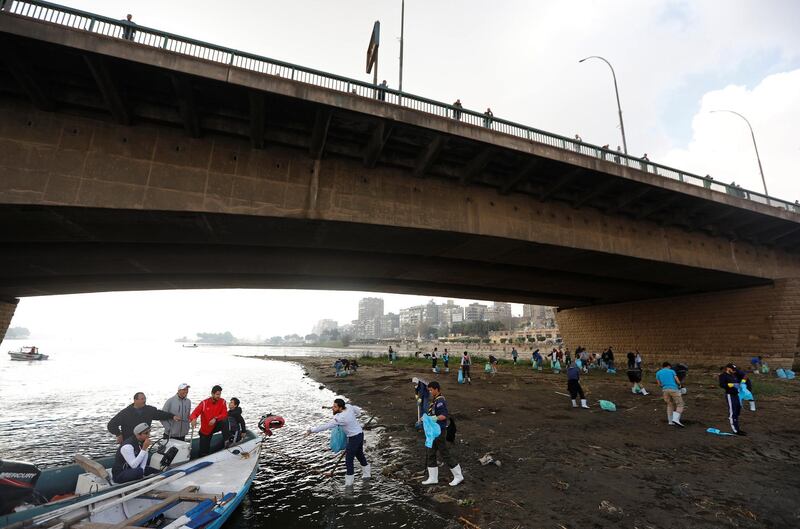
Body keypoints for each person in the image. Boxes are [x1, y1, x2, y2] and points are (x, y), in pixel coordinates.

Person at [307, 398, 369, 487]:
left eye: (335, 407)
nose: (333, 408)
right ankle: (367, 475)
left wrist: (312, 430)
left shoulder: (340, 418)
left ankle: (349, 485)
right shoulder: (348, 406)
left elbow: (326, 426)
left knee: (349, 460)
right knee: (359, 454)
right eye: (333, 406)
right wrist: (354, 418)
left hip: (354, 438)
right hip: (360, 434)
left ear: (340, 408)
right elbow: (358, 411)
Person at [421, 381, 463, 486]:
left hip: (439, 431)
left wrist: (432, 418)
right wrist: (425, 418)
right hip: (433, 432)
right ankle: (433, 478)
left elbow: (444, 415)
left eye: (431, 390)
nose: (430, 392)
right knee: (431, 453)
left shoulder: (440, 401)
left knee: (444, 453)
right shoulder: (434, 401)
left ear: (436, 389)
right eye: (429, 390)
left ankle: (458, 476)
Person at [108, 392, 179, 444]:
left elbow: (161, 414)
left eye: (145, 398)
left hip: (143, 441)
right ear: (135, 400)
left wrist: (172, 416)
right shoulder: (125, 413)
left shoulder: (149, 410)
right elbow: (111, 425)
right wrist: (118, 434)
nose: (144, 400)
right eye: (142, 399)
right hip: (129, 442)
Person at [190, 385, 230, 456]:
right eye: (217, 394)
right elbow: (194, 413)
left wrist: (215, 418)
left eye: (220, 394)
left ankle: (227, 441)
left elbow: (224, 414)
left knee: (225, 420)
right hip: (206, 430)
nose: (219, 396)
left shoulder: (222, 402)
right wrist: (193, 419)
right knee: (203, 452)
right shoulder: (204, 403)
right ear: (212, 394)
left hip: (215, 426)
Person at [655, 362, 684, 427]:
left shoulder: (658, 373)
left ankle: (670, 421)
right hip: (674, 389)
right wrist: (680, 386)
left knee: (670, 404)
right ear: (668, 366)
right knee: (680, 404)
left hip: (665, 390)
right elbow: (678, 381)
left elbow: (659, 384)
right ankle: (675, 419)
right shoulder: (672, 371)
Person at [720, 364, 746, 435]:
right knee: (733, 412)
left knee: (737, 410)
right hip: (730, 395)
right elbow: (722, 384)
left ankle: (737, 427)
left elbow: (744, 375)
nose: (734, 371)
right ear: (728, 368)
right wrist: (731, 385)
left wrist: (743, 381)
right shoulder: (723, 376)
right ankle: (736, 430)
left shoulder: (733, 375)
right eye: (732, 369)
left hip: (736, 395)